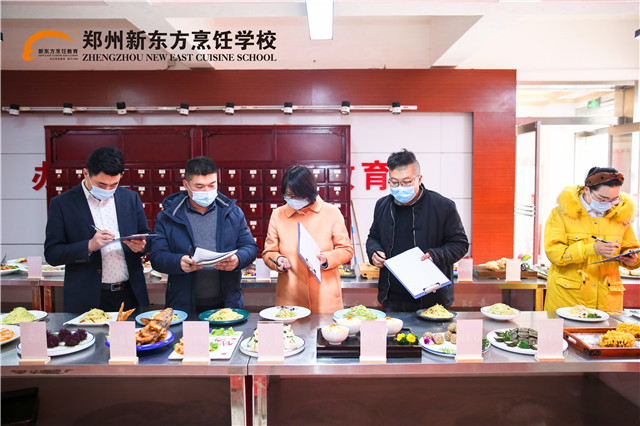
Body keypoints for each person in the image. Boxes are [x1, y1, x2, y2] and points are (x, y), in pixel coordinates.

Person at [44, 146, 150, 314]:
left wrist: (141, 246)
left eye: (114, 184)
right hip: (86, 297)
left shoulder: (130, 198)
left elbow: (146, 237)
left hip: (129, 294)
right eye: (101, 184)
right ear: (86, 173)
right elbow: (52, 254)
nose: (108, 190)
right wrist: (89, 246)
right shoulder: (63, 204)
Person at [149, 156, 258, 314]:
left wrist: (238, 259)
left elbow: (250, 247)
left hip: (227, 302)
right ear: (186, 185)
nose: (207, 191)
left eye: (212, 185)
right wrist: (178, 262)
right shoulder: (169, 216)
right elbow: (157, 256)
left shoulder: (232, 212)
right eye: (199, 186)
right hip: (183, 305)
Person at [366, 149, 469, 312]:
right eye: (394, 182)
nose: (400, 187)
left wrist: (435, 255)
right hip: (392, 298)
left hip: (432, 298)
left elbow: (460, 244)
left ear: (419, 179)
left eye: (406, 182)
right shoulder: (382, 205)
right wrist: (374, 252)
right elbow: (373, 237)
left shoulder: (443, 206)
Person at [544, 167, 640, 312]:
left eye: (614, 199)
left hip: (607, 302)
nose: (609, 204)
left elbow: (632, 249)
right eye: (603, 199)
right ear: (587, 190)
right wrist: (590, 249)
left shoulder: (621, 215)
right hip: (568, 300)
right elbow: (555, 254)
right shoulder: (561, 214)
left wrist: (632, 260)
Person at [263, 165, 354, 313]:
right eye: (288, 195)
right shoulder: (278, 215)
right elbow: (269, 253)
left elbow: (346, 250)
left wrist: (327, 258)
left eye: (297, 196)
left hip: (325, 298)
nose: (293, 200)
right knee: (290, 328)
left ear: (309, 192)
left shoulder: (331, 212)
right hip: (290, 297)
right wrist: (278, 260)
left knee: (325, 328)